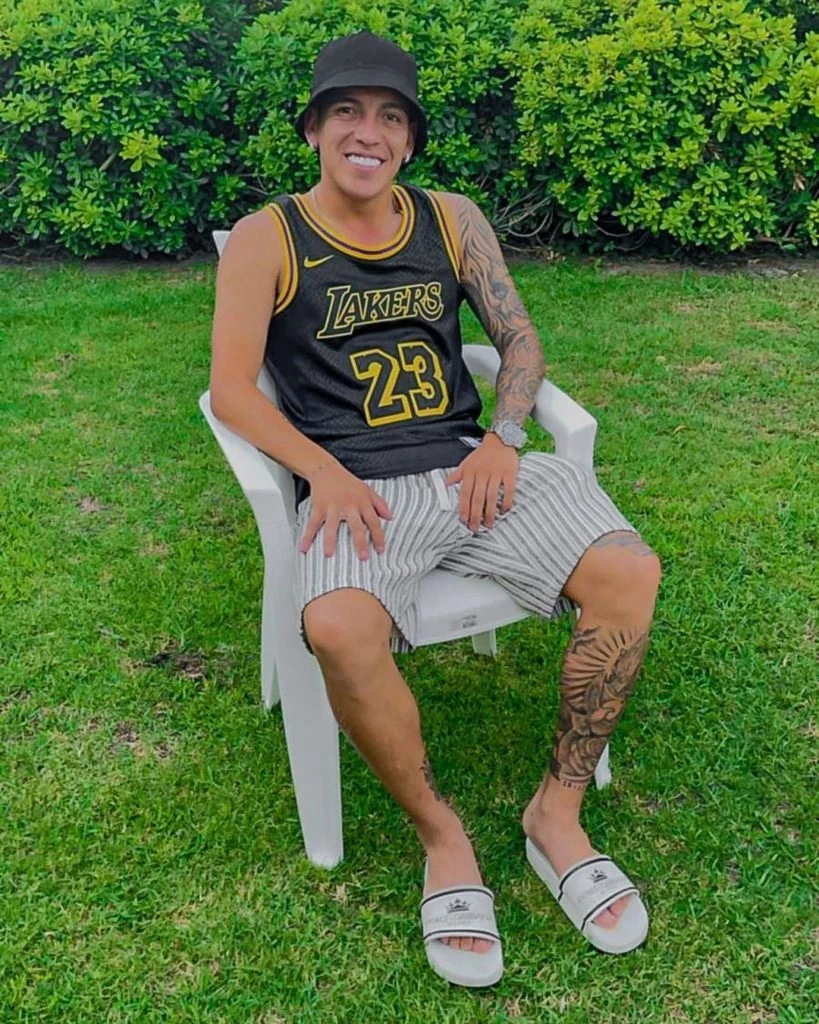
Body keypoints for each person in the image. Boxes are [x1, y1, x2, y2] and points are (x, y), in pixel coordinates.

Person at [209, 31, 661, 987]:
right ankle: (442, 837)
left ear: (408, 140)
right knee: (337, 627)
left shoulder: (451, 218)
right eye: (345, 112)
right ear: (314, 130)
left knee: (629, 571)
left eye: (389, 118)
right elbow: (233, 393)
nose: (366, 133)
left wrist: (504, 435)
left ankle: (556, 814)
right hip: (356, 488)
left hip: (469, 464)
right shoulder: (267, 237)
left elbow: (518, 340)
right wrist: (321, 471)